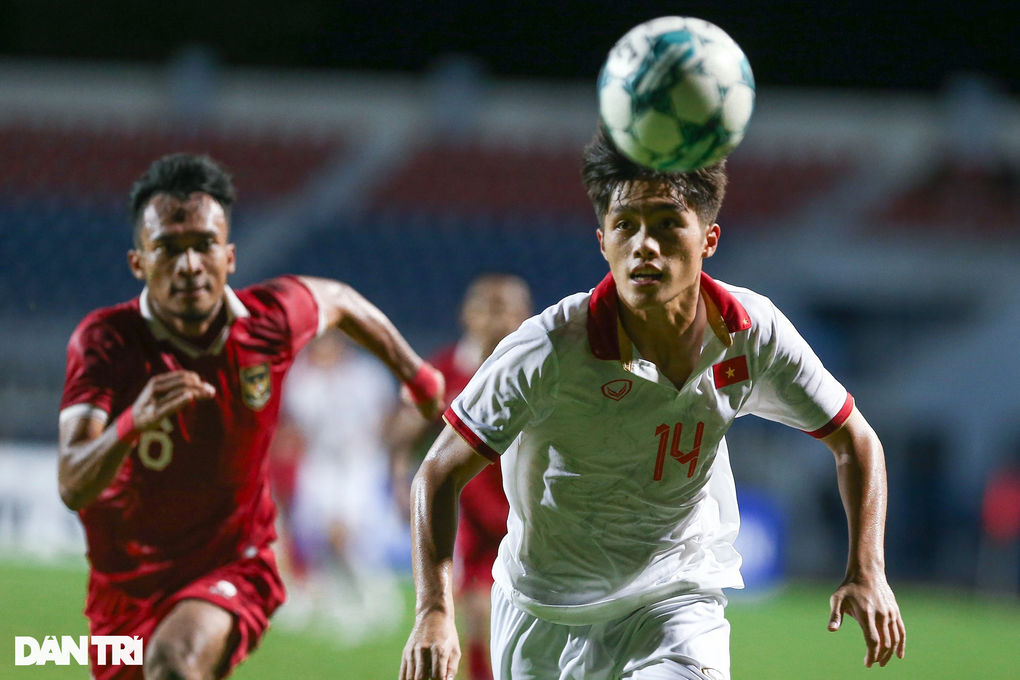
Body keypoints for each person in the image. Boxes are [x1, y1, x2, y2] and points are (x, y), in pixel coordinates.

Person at [400, 127, 905, 680]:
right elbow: (439, 472)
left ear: (708, 238)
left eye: (667, 224)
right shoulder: (547, 348)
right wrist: (433, 610)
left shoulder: (753, 333)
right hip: (545, 612)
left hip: (675, 596)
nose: (645, 244)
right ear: (603, 242)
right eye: (626, 226)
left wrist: (868, 569)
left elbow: (855, 439)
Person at [57, 153, 444, 680]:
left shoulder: (270, 320)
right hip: (125, 584)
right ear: (138, 263)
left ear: (230, 255)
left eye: (203, 245)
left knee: (174, 663)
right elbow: (73, 483)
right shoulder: (106, 343)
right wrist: (129, 424)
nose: (189, 264)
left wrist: (418, 377)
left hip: (234, 562)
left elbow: (342, 301)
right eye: (169, 248)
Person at [389, 274, 532, 680]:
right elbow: (404, 432)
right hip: (470, 512)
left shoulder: (539, 365)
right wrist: (401, 480)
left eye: (507, 308)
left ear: (525, 315)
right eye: (489, 307)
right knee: (478, 613)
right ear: (468, 315)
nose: (498, 318)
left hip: (530, 510)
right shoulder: (445, 368)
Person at [281, 329, 405, 641]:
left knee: (346, 532)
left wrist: (387, 458)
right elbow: (294, 424)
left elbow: (387, 417)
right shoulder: (301, 378)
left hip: (360, 459)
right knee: (320, 533)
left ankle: (377, 595)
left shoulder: (367, 375)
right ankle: (345, 601)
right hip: (320, 460)